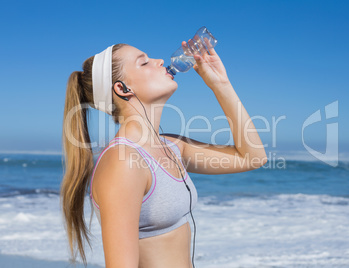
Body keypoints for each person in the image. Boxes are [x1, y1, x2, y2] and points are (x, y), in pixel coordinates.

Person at [60, 41, 267, 268]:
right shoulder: (124, 161)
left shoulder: (172, 146)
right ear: (123, 89)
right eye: (145, 62)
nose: (160, 61)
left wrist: (221, 84)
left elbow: (253, 157)